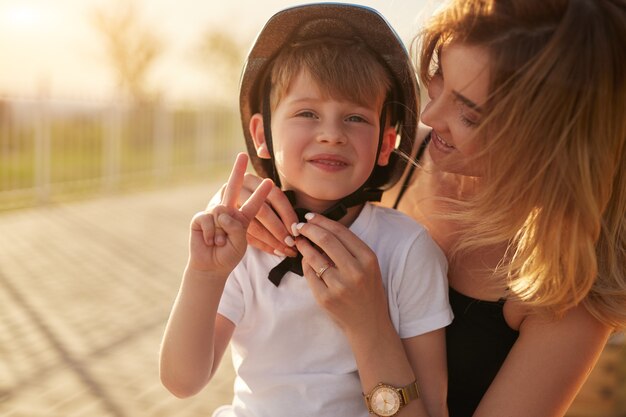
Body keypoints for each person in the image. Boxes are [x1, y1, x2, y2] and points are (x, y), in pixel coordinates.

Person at [230, 0, 626, 416]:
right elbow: (291, 153)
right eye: (438, 81)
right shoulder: (404, 159)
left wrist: (372, 329)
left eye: (469, 115)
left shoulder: (573, 288)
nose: (430, 116)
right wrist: (253, 200)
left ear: (550, 138)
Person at [159, 4, 453, 417]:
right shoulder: (242, 246)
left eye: (355, 117)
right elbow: (182, 381)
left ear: (387, 144)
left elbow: (431, 409)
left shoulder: (407, 248)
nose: (332, 134)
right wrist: (205, 275)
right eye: (307, 113)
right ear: (261, 135)